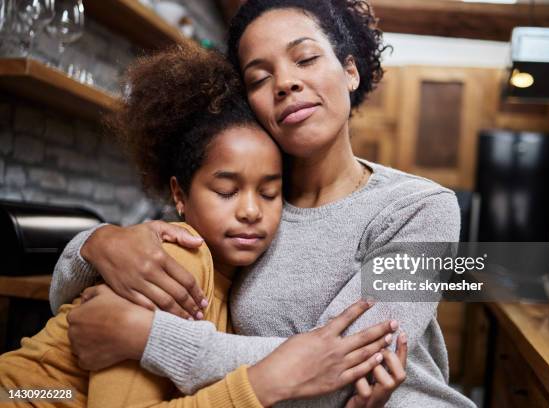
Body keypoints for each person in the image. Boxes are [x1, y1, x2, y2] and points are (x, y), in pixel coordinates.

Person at [50, 0, 477, 406]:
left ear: (350, 71)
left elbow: (340, 371)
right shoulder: (247, 206)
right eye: (258, 77)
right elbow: (77, 296)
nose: (286, 82)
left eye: (305, 58)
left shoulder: (421, 208)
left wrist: (149, 337)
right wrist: (95, 245)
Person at [0, 45, 405, 407]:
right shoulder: (174, 264)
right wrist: (262, 384)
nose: (250, 211)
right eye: (227, 191)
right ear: (179, 196)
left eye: (269, 193)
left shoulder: (421, 205)